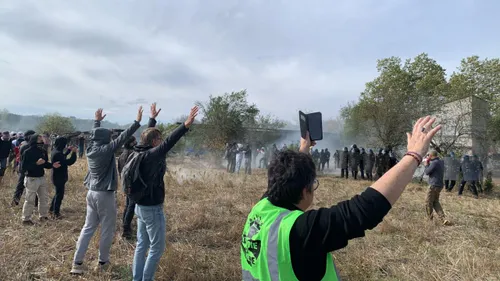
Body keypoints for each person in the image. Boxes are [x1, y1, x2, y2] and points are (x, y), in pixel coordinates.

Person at [240, 116, 441, 281]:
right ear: (304, 191)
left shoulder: (260, 209)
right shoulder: (302, 231)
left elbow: (285, 178)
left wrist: (304, 149)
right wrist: (414, 155)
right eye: (313, 186)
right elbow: (363, 210)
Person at [70, 107, 143, 275]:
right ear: (104, 139)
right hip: (104, 194)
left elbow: (93, 135)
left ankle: (77, 263)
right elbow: (123, 137)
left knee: (88, 227)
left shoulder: (90, 149)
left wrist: (97, 122)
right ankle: (103, 263)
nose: (111, 139)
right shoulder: (105, 150)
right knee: (107, 229)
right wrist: (137, 122)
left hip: (91, 192)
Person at [131, 105, 198, 281]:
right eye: (158, 139)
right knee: (157, 248)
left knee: (141, 245)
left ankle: (137, 279)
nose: (161, 141)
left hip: (140, 206)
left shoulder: (139, 151)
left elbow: (147, 136)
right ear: (154, 142)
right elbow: (169, 142)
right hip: (152, 208)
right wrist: (185, 125)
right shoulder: (151, 155)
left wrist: (152, 120)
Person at [119, 104, 161, 239]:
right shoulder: (136, 152)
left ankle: (126, 226)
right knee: (130, 207)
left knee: (128, 206)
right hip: (135, 184)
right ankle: (125, 230)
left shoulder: (131, 152)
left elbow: (146, 139)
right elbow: (147, 140)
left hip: (129, 184)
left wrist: (152, 120)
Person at [21, 134, 61, 225]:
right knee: (30, 199)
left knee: (44, 198)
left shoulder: (42, 151)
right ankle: (26, 219)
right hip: (31, 178)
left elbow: (45, 164)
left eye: (41, 138)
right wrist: (36, 164)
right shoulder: (27, 151)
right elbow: (23, 167)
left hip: (41, 178)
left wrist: (52, 165)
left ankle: (43, 216)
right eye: (39, 139)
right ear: (34, 140)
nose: (41, 140)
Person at [49, 137, 77, 219]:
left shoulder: (55, 151)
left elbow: (63, 156)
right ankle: (56, 213)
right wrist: (74, 153)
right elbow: (69, 162)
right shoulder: (58, 153)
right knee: (59, 195)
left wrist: (68, 151)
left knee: (57, 194)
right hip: (59, 177)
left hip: (56, 176)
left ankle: (52, 209)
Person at [11, 130, 37, 207]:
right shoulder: (25, 146)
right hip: (25, 168)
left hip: (25, 168)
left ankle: (16, 201)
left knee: (24, 186)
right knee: (22, 186)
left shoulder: (25, 144)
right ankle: (15, 201)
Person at [423, 150, 449, 225]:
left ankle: (430, 220)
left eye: (428, 155)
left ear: (430, 156)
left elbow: (427, 172)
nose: (427, 157)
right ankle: (443, 219)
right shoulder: (441, 162)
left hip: (433, 185)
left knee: (428, 202)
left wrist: (426, 164)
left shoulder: (434, 163)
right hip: (439, 185)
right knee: (435, 202)